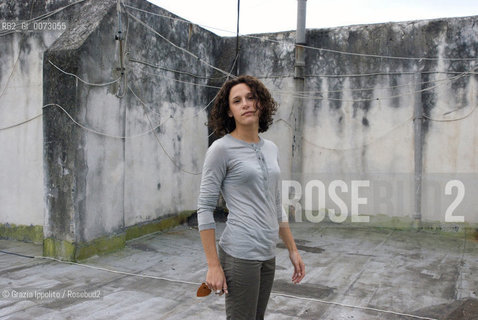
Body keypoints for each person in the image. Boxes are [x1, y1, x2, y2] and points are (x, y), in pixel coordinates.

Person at [197, 75, 305, 320]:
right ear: (230, 111)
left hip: (268, 252)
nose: (245, 103)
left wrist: (293, 250)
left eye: (250, 97)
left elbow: (276, 204)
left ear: (261, 104)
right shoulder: (221, 149)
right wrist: (213, 265)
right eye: (237, 101)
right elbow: (204, 207)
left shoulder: (271, 148)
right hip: (240, 253)